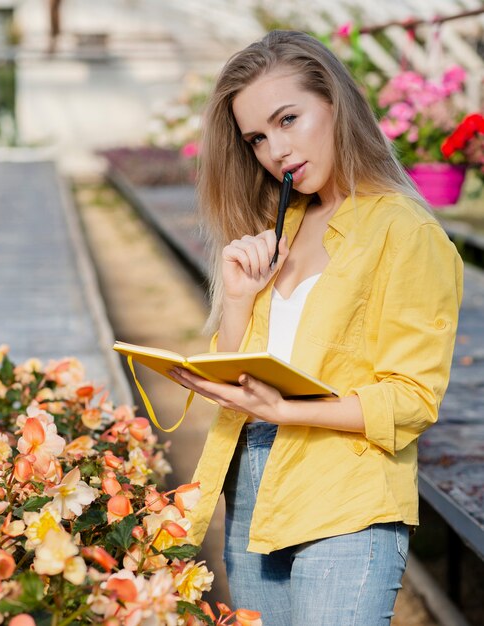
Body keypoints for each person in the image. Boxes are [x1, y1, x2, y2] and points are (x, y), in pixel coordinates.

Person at [169, 30, 463, 626]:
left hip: (345, 491)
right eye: (257, 137)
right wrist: (237, 300)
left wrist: (286, 411)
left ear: (335, 102)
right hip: (251, 480)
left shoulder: (406, 233)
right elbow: (240, 368)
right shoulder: (280, 225)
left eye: (288, 119)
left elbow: (412, 399)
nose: (276, 149)